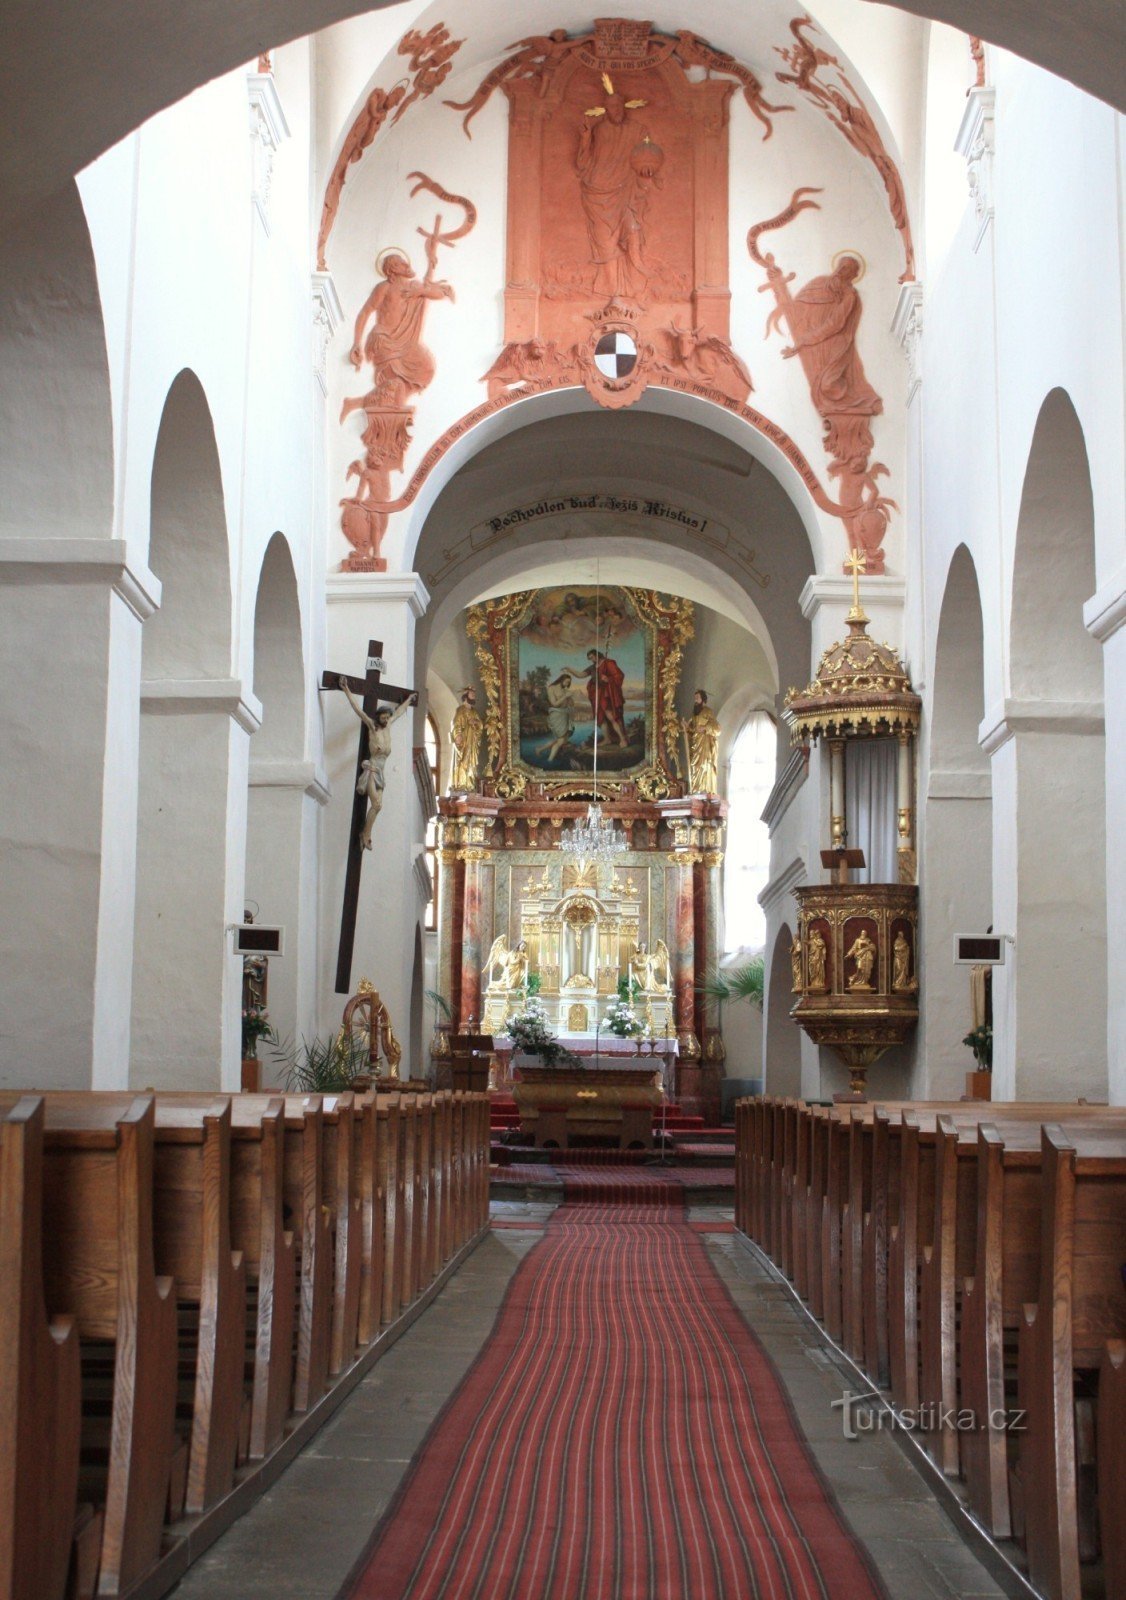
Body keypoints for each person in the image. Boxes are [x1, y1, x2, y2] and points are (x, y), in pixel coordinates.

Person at [576, 76, 660, 301]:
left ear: (624, 107)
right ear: (605, 109)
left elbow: (645, 154)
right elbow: (583, 164)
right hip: (597, 192)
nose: (616, 110)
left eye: (619, 106)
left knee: (632, 230)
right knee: (605, 243)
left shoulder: (637, 129)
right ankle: (612, 291)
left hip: (624, 192)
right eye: (611, 106)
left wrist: (645, 171)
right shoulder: (599, 131)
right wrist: (585, 138)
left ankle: (636, 280)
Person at [339, 679, 418, 849]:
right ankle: (365, 834)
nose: (387, 718)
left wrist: (409, 701)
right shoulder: (372, 727)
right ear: (378, 717)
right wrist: (346, 689)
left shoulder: (388, 726)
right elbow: (358, 710)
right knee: (377, 804)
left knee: (378, 807)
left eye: (388, 716)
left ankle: (366, 833)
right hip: (372, 771)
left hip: (381, 773)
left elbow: (399, 712)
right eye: (384, 716)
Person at [571, 648, 629, 748]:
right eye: (589, 659)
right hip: (597, 694)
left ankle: (623, 739)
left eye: (592, 657)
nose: (592, 660)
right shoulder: (592, 667)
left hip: (606, 694)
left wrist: (608, 679)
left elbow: (619, 675)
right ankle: (607, 739)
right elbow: (581, 675)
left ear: (597, 655)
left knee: (611, 717)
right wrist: (569, 669)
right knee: (600, 717)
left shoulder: (608, 663)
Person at [683, 689, 720, 793]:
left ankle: (704, 788)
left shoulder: (708, 711)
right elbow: (694, 729)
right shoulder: (694, 714)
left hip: (705, 743)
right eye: (695, 698)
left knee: (703, 765)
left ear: (703, 699)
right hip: (696, 744)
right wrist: (688, 728)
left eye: (697, 698)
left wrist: (705, 728)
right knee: (695, 766)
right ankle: (696, 788)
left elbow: (717, 727)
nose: (695, 700)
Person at [449, 687, 483, 792]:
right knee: (462, 761)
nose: (473, 697)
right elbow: (456, 724)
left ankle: (470, 784)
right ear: (466, 696)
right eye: (472, 695)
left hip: (472, 741)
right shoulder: (460, 710)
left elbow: (480, 725)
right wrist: (458, 735)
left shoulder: (474, 712)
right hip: (464, 741)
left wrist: (476, 723)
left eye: (474, 695)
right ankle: (461, 784)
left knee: (471, 763)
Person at [540, 672, 577, 762]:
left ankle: (540, 749)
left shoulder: (565, 690)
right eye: (566, 682)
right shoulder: (551, 688)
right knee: (561, 740)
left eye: (569, 683)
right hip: (556, 715)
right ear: (561, 680)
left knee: (562, 739)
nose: (567, 684)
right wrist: (565, 696)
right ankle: (550, 760)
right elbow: (554, 704)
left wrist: (570, 698)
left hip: (565, 714)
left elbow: (571, 704)